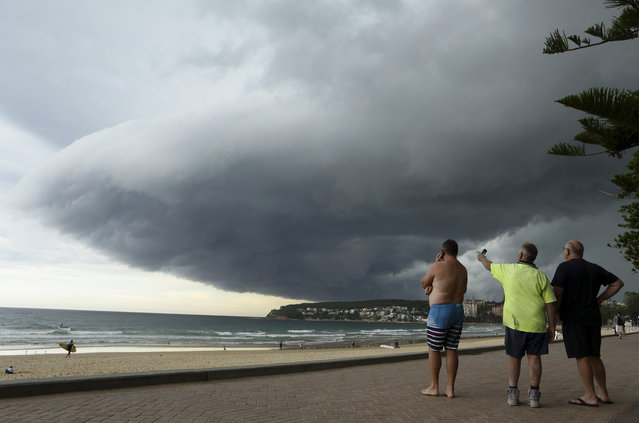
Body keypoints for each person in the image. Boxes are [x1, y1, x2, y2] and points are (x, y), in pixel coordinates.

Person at [477, 242, 556, 408]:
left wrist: (481, 257)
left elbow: (489, 266)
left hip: (515, 324)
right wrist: (552, 327)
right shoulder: (541, 276)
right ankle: (534, 395)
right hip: (537, 324)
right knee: (534, 359)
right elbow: (550, 304)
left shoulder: (508, 270)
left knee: (515, 358)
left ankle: (513, 393)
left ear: (520, 255)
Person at [552, 240, 623, 407]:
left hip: (574, 318)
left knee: (582, 356)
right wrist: (599, 299)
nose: (564, 253)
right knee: (594, 356)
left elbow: (557, 295)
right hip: (593, 317)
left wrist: (555, 315)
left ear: (568, 252)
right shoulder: (594, 268)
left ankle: (589, 395)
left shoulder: (564, 267)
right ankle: (603, 394)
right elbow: (618, 283)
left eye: (564, 250)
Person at [420, 239, 467, 399]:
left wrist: (436, 263)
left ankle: (434, 386)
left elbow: (423, 282)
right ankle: (450, 389)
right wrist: (433, 289)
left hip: (440, 311)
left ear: (443, 252)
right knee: (452, 349)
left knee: (434, 349)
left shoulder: (438, 266)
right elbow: (461, 290)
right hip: (458, 310)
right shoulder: (463, 269)